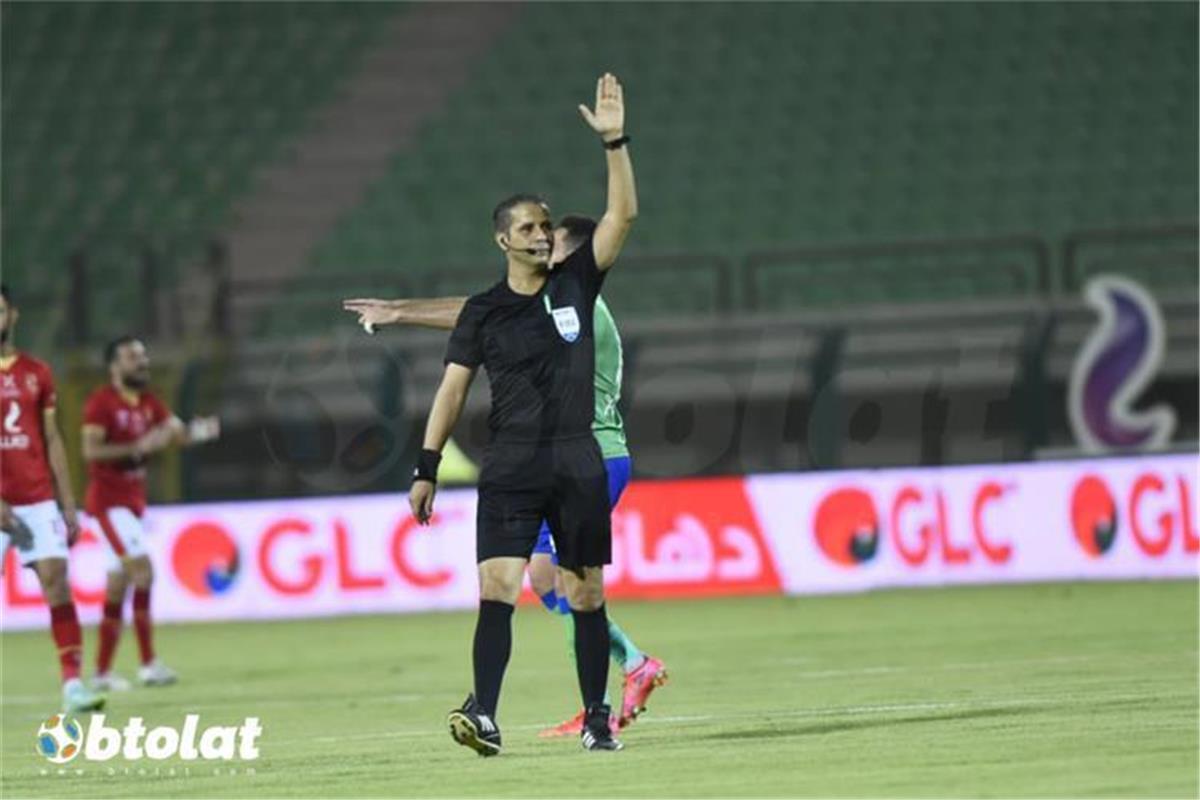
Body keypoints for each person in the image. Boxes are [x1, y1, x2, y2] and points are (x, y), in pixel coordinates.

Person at [343, 215, 668, 738]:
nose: (541, 245)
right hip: (584, 455)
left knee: (569, 582)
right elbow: (486, 314)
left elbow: (481, 313)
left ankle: (607, 698)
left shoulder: (573, 297)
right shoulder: (557, 301)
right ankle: (627, 668)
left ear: (571, 256)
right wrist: (400, 311)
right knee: (545, 578)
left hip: (590, 453)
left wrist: (402, 311)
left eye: (551, 241)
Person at [409, 73, 636, 755]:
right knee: (497, 588)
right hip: (509, 463)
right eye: (529, 227)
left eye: (546, 225)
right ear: (503, 241)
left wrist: (614, 144)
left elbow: (622, 217)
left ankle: (598, 718)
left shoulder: (576, 282)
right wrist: (426, 466)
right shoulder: (483, 311)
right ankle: (486, 717)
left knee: (585, 592)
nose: (542, 234)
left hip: (576, 458)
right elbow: (451, 390)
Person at [83, 336, 220, 691]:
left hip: (131, 504)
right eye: (133, 357)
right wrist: (138, 447)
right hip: (108, 505)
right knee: (143, 573)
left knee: (117, 587)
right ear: (115, 365)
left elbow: (177, 434)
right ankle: (148, 664)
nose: (142, 362)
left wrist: (200, 432)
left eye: (143, 356)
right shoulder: (101, 404)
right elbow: (91, 451)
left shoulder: (149, 403)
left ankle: (101, 674)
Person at [0, 284, 105, 712]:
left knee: (57, 584)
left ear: (13, 315)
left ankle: (72, 686)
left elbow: (52, 437)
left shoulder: (36, 372)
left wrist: (66, 501)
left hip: (37, 497)